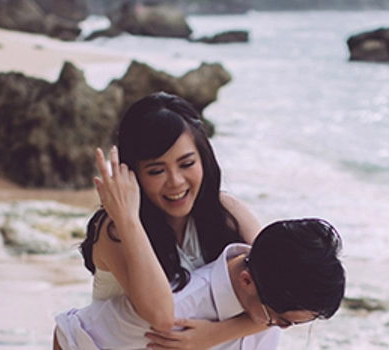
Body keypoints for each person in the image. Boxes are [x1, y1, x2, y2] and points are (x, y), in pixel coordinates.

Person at [74, 92, 269, 349]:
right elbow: (161, 316)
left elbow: (284, 290)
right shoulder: (115, 230)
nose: (175, 182)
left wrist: (213, 335)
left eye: (186, 164)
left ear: (203, 159)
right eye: (156, 171)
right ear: (132, 174)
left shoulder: (226, 212)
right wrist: (128, 218)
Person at [53, 218, 346, 350]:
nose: (280, 328)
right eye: (282, 321)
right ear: (246, 281)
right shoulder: (174, 310)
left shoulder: (272, 289)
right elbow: (68, 335)